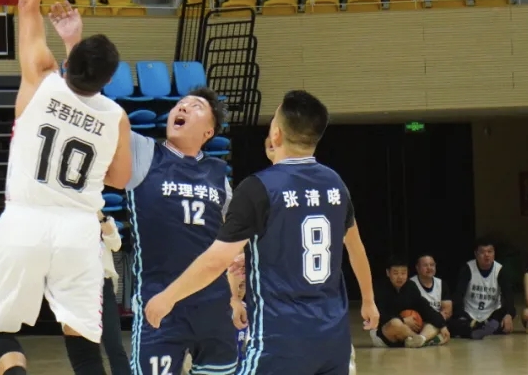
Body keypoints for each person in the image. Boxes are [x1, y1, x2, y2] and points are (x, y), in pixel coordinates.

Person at [0, 0, 133, 375]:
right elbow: (119, 179)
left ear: (70, 60)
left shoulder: (41, 79)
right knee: (82, 339)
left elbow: (27, 5)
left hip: (25, 220)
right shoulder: (116, 115)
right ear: (109, 78)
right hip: (77, 232)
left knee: (0, 330)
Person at [49, 0, 244, 375]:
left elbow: (233, 248)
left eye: (195, 106)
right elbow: (91, 109)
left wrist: (237, 296)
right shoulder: (143, 153)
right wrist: (73, 44)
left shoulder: (220, 175)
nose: (182, 107)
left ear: (209, 131)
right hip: (160, 307)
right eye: (180, 103)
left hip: (214, 309)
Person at [143, 90, 380, 375]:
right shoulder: (335, 183)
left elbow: (216, 261)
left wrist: (167, 297)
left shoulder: (259, 187)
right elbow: (355, 248)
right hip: (333, 338)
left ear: (276, 134)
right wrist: (368, 300)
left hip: (280, 339)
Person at [372, 256, 448, 348]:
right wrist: (403, 320)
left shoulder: (411, 286)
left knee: (434, 324)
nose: (400, 277)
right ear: (388, 273)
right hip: (385, 335)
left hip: (407, 335)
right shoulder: (379, 288)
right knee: (395, 323)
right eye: (395, 273)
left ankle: (419, 339)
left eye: (403, 273)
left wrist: (442, 325)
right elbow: (379, 315)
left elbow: (425, 307)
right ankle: (422, 340)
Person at [449, 238, 515, 340]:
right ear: (476, 254)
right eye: (483, 252)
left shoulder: (500, 270)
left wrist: (509, 314)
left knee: (504, 320)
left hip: (491, 313)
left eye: (490, 251)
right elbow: (458, 295)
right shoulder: (467, 268)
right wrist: (462, 315)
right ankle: (482, 329)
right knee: (452, 324)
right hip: (470, 314)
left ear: (494, 253)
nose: (487, 255)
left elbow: (508, 296)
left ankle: (477, 330)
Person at [99, 213, 130, 375]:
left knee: (114, 342)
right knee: (85, 348)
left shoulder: (104, 220)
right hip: (75, 285)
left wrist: (100, 218)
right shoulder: (66, 216)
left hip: (103, 283)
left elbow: (116, 244)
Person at [410, 254, 452, 321]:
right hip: (418, 321)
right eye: (425, 265)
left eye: (432, 265)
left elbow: (447, 311)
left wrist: (438, 320)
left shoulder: (441, 284)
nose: (429, 268)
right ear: (417, 268)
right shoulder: (410, 284)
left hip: (439, 321)